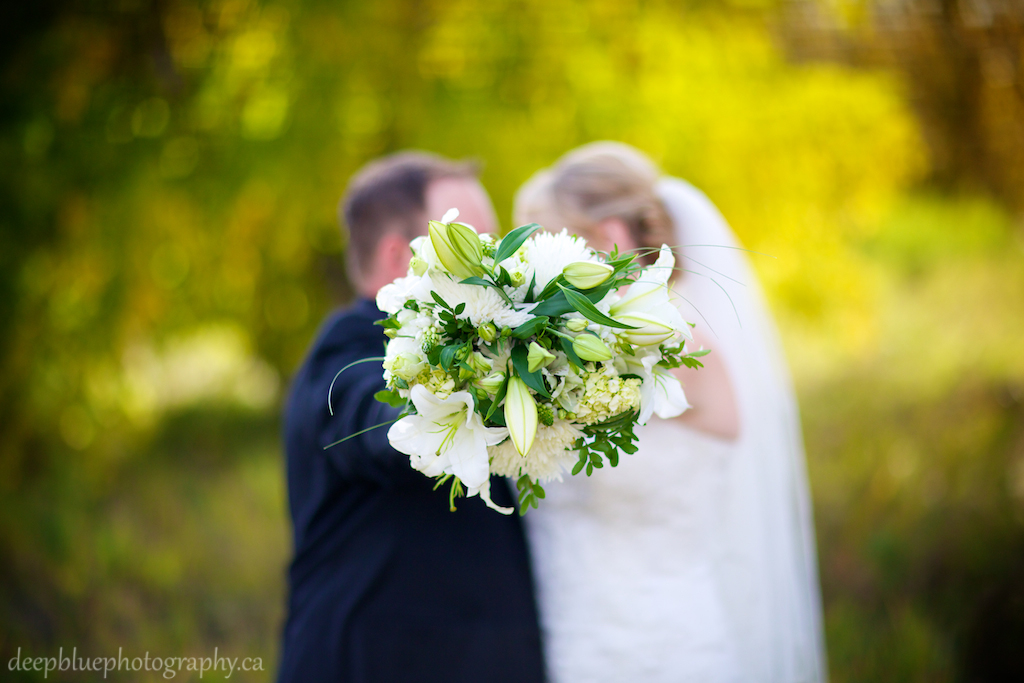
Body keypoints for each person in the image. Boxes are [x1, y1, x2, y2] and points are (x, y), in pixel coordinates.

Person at [514, 142, 826, 683]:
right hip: (563, 638)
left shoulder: (671, 347)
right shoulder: (564, 348)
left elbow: (566, 400)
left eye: (550, 243)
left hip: (659, 650)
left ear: (609, 235)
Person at [277, 151, 545, 683]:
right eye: (476, 247)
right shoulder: (341, 364)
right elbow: (384, 423)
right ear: (401, 257)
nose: (502, 266)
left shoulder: (492, 346)